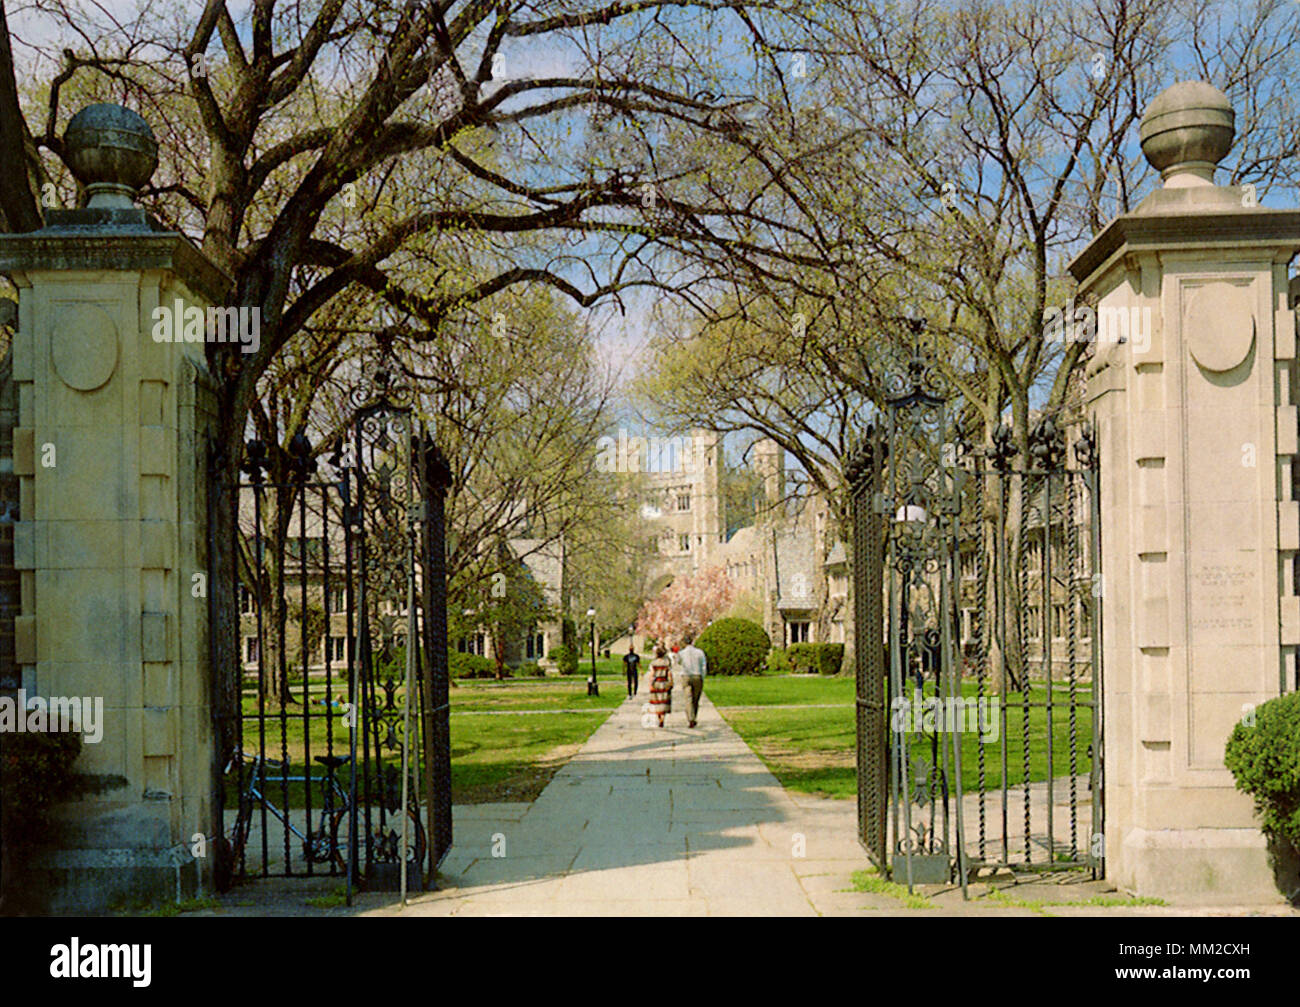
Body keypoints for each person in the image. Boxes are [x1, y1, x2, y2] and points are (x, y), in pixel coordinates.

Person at [677, 633, 708, 728]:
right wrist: (703, 676)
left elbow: (678, 662)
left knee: (688, 698)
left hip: (686, 675)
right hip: (697, 675)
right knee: (696, 698)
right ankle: (693, 716)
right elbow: (703, 665)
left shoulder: (681, 653)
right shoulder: (700, 652)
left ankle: (691, 718)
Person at [647, 645, 673, 727]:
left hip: (656, 683)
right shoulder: (667, 663)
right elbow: (669, 674)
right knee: (664, 700)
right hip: (664, 682)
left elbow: (652, 675)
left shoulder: (653, 663)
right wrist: (671, 682)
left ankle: (659, 718)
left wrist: (650, 684)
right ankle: (663, 718)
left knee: (657, 701)